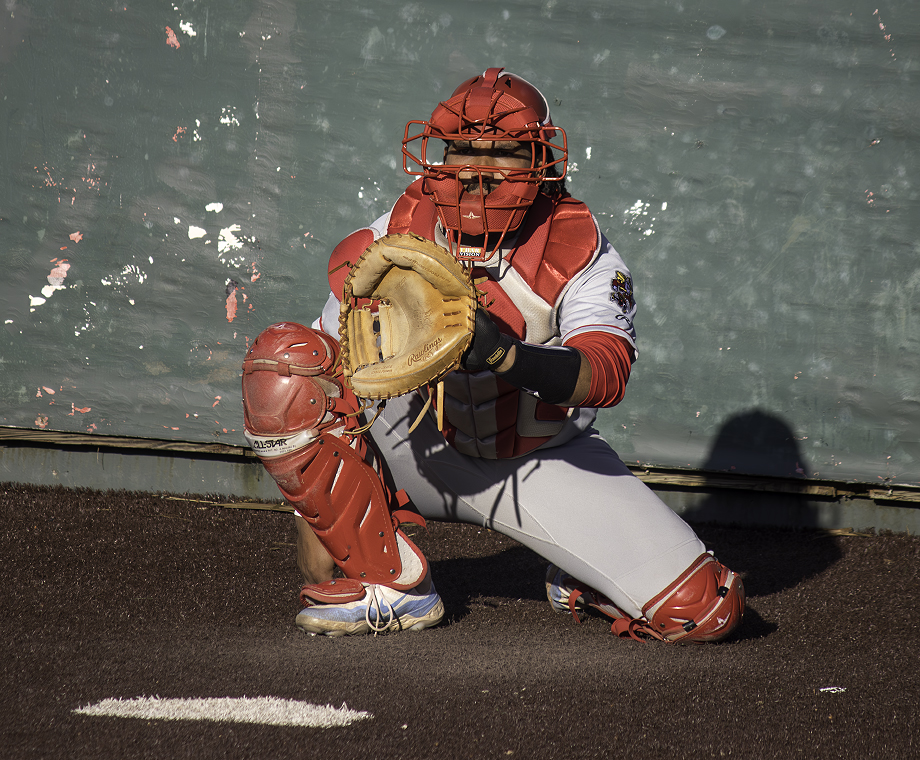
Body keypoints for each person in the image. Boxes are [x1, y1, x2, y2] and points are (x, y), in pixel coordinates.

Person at [241, 68, 744, 642]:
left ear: (539, 160)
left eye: (503, 152)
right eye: (461, 150)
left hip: (538, 458)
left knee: (704, 611)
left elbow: (604, 373)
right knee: (283, 363)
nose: (477, 170)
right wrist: (320, 517)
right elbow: (324, 373)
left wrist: (506, 353)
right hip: (414, 446)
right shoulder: (401, 229)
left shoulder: (576, 246)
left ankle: (580, 572)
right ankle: (393, 584)